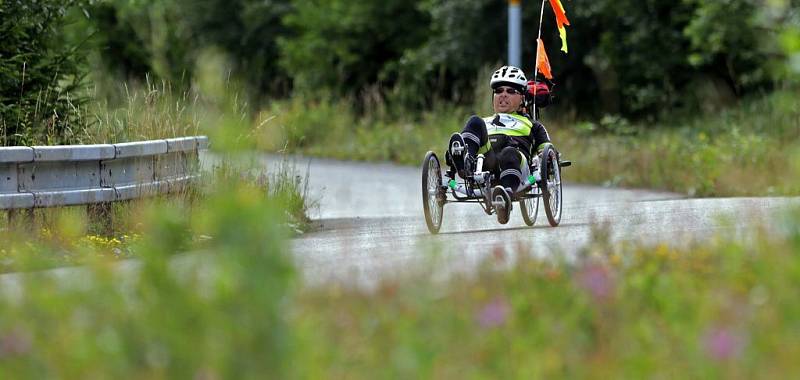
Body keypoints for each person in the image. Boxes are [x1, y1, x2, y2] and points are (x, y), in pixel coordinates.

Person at [447, 65, 552, 200]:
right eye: (498, 90)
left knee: (509, 152)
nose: (503, 94)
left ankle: (506, 194)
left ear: (522, 99)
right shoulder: (484, 121)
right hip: (486, 161)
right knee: (474, 121)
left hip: (516, 162)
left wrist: (546, 158)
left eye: (511, 91)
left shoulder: (533, 124)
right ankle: (464, 164)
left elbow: (547, 151)